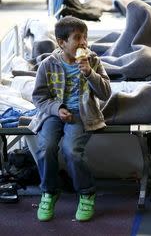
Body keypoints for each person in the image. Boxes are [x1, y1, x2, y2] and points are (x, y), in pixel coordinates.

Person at [29, 16, 111, 222]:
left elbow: (105, 93)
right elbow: (39, 97)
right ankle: (49, 191)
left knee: (72, 150)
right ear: (62, 43)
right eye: (77, 38)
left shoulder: (92, 61)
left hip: (82, 114)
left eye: (85, 37)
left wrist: (90, 74)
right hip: (54, 114)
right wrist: (57, 109)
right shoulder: (48, 65)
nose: (83, 42)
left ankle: (86, 192)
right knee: (45, 147)